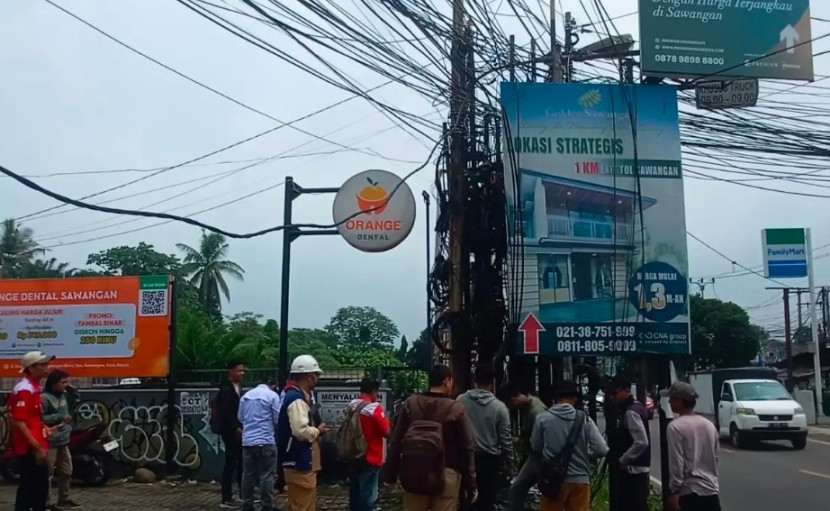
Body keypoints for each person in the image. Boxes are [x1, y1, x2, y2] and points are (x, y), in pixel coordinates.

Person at [385, 364, 477, 511]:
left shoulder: (411, 404)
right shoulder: (456, 408)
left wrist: (390, 475)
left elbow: (396, 441)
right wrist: (470, 484)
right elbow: (467, 447)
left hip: (413, 472)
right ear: (447, 381)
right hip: (446, 474)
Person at [531, 380, 608, 511]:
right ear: (575, 398)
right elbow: (602, 449)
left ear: (555, 398)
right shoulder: (584, 419)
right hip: (580, 481)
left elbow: (536, 447)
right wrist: (589, 455)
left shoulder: (542, 419)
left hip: (552, 481)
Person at [457, 365, 513, 511]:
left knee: (466, 501)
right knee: (486, 502)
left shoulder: (460, 401)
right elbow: (505, 439)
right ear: (492, 383)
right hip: (489, 461)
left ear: (474, 381)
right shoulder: (499, 407)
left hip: (465, 458)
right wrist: (509, 465)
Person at [277, 355, 328, 511]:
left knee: (298, 504)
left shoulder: (295, 396)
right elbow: (301, 431)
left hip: (296, 462)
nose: (317, 379)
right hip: (299, 463)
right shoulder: (297, 399)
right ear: (309, 376)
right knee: (303, 505)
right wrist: (317, 431)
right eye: (316, 375)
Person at [11, 351, 54, 511]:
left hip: (37, 445)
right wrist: (36, 447)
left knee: (40, 490)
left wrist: (45, 429)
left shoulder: (35, 388)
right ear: (32, 368)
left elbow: (32, 419)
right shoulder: (24, 389)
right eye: (42, 365)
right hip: (29, 448)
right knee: (29, 489)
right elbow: (19, 422)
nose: (46, 369)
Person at [667, 382, 721, 511]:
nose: (669, 401)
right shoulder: (708, 425)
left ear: (679, 400)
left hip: (689, 492)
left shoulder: (675, 427)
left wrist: (675, 491)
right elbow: (715, 457)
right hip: (711, 492)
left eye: (672, 398)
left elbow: (677, 462)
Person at [503, 382, 548, 511]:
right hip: (536, 454)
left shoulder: (536, 412)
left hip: (540, 455)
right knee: (519, 488)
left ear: (513, 399)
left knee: (519, 487)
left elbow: (540, 439)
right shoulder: (530, 405)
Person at [238, 378, 281, 511]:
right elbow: (277, 418)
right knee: (266, 475)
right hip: (266, 440)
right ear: (272, 386)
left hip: (248, 442)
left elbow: (241, 417)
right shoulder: (272, 396)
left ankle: (247, 504)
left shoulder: (246, 396)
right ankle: (267, 505)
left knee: (248, 474)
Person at [608, 377, 651, 511]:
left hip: (633, 469)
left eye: (615, 393)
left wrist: (623, 459)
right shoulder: (636, 406)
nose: (612, 398)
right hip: (636, 468)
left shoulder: (631, 412)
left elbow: (641, 442)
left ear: (626, 390)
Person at [347, 378, 390, 511]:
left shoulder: (352, 405)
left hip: (355, 453)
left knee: (355, 491)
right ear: (373, 391)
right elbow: (386, 432)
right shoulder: (374, 408)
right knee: (369, 495)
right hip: (371, 455)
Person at [41, 369, 78, 510]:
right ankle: (46, 501)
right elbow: (42, 418)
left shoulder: (64, 396)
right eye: (63, 382)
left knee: (67, 470)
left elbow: (75, 399)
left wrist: (71, 389)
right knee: (48, 473)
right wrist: (59, 418)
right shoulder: (44, 398)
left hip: (63, 439)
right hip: (51, 440)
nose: (65, 385)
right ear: (54, 383)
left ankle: (64, 498)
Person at [218, 360, 245, 508]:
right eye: (239, 370)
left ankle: (242, 493)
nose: (242, 374)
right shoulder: (227, 390)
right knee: (230, 463)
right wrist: (236, 428)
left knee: (240, 462)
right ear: (231, 371)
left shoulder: (238, 388)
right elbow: (226, 413)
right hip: (231, 433)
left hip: (237, 431)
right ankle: (226, 497)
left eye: (243, 371)